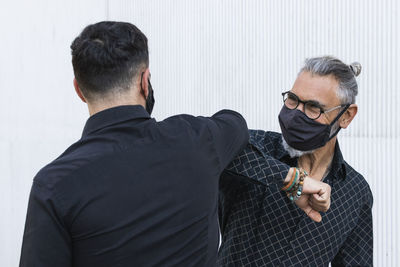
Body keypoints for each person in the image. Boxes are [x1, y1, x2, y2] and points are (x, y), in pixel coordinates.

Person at [19, 21, 331, 267]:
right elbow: (236, 124)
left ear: (79, 89)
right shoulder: (196, 139)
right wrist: (293, 180)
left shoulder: (54, 184)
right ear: (145, 80)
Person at [218, 56, 373, 266]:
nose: (295, 115)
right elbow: (208, 146)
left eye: (313, 107)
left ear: (346, 117)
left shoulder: (355, 192)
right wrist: (291, 179)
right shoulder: (254, 147)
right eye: (292, 99)